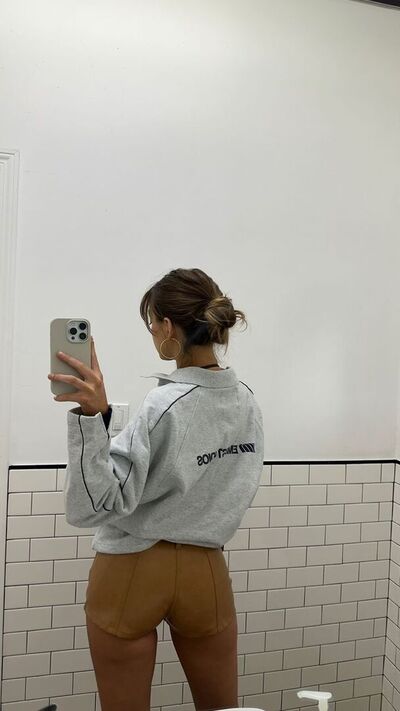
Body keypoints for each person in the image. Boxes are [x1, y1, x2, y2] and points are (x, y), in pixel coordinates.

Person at [63, 268, 264, 711]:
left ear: (169, 327)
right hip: (206, 572)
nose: (153, 333)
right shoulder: (246, 400)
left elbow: (93, 505)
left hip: (131, 569)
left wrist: (92, 417)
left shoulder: (164, 403)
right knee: (223, 708)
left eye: (152, 323)